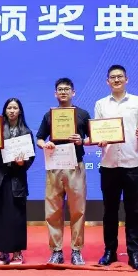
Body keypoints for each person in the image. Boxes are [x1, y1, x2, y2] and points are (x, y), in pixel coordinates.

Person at [93, 65, 138, 271]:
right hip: (109, 164)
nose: (116, 80)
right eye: (113, 77)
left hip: (132, 163)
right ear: (107, 81)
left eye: (120, 77)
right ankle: (110, 251)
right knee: (110, 211)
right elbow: (98, 131)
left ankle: (134, 253)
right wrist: (99, 139)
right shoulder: (100, 104)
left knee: (134, 212)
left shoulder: (137, 102)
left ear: (127, 79)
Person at [36, 78, 91, 265]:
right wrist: (45, 144)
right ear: (55, 93)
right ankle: (56, 251)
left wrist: (81, 141)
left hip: (75, 166)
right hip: (54, 165)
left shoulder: (82, 114)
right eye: (60, 89)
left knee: (78, 210)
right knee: (53, 210)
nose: (63, 92)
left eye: (67, 89)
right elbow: (39, 138)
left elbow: (92, 137)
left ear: (73, 92)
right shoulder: (49, 115)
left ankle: (76, 250)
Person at [0, 98, 36, 265]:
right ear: (5, 110)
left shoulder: (26, 131)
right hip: (0, 178)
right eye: (9, 108)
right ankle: (3, 253)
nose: (12, 111)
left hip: (17, 178)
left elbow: (31, 157)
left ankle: (17, 252)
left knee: (16, 217)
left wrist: (22, 163)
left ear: (20, 111)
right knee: (0, 215)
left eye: (15, 108)